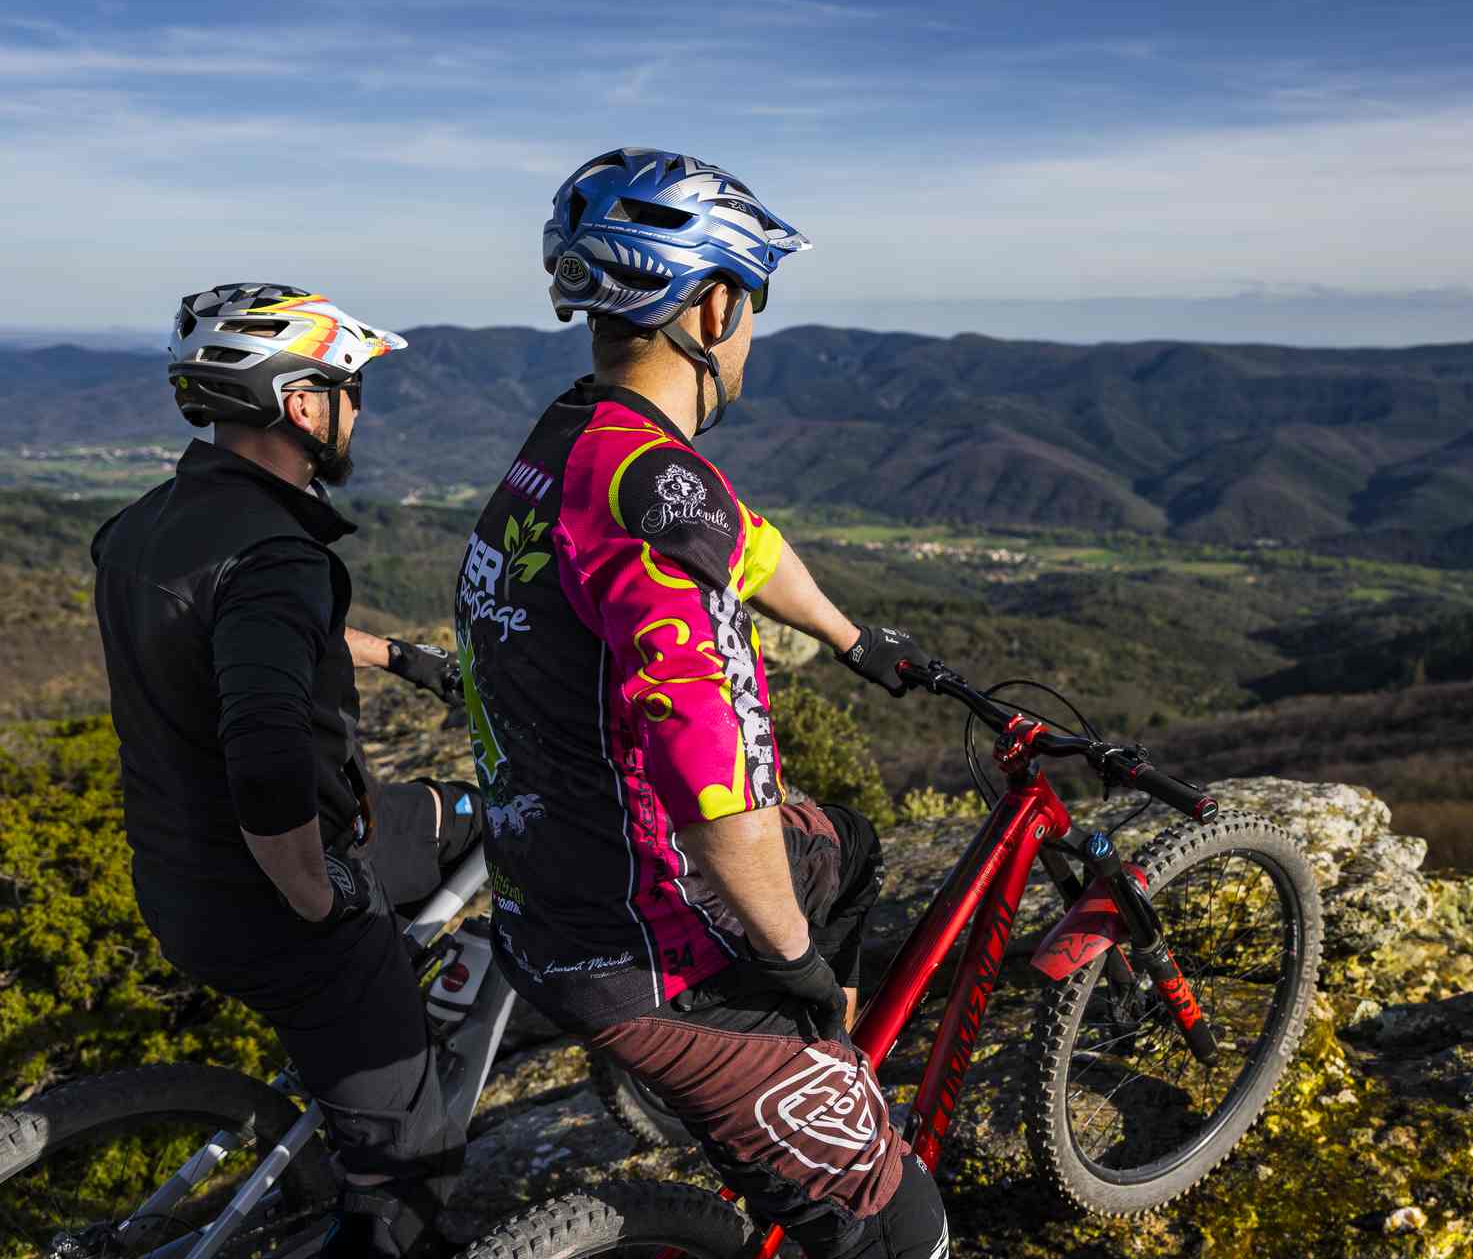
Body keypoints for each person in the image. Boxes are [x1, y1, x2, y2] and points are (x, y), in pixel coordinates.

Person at [457, 149, 949, 1259]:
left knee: (848, 847)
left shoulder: (584, 439)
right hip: (647, 945)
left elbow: (739, 536)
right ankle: (806, 1086)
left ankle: (815, 1078)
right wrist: (795, 969)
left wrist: (851, 635)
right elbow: (717, 787)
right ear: (715, 301)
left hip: (548, 889)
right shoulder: (647, 498)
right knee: (903, 1233)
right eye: (753, 302)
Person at [91, 284, 480, 1258]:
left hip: (176, 874)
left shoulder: (145, 525)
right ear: (303, 404)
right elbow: (264, 745)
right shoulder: (275, 553)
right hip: (273, 894)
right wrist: (318, 896)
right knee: (410, 1187)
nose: (357, 410)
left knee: (469, 817)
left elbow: (226, 631)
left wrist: (396, 654)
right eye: (349, 388)